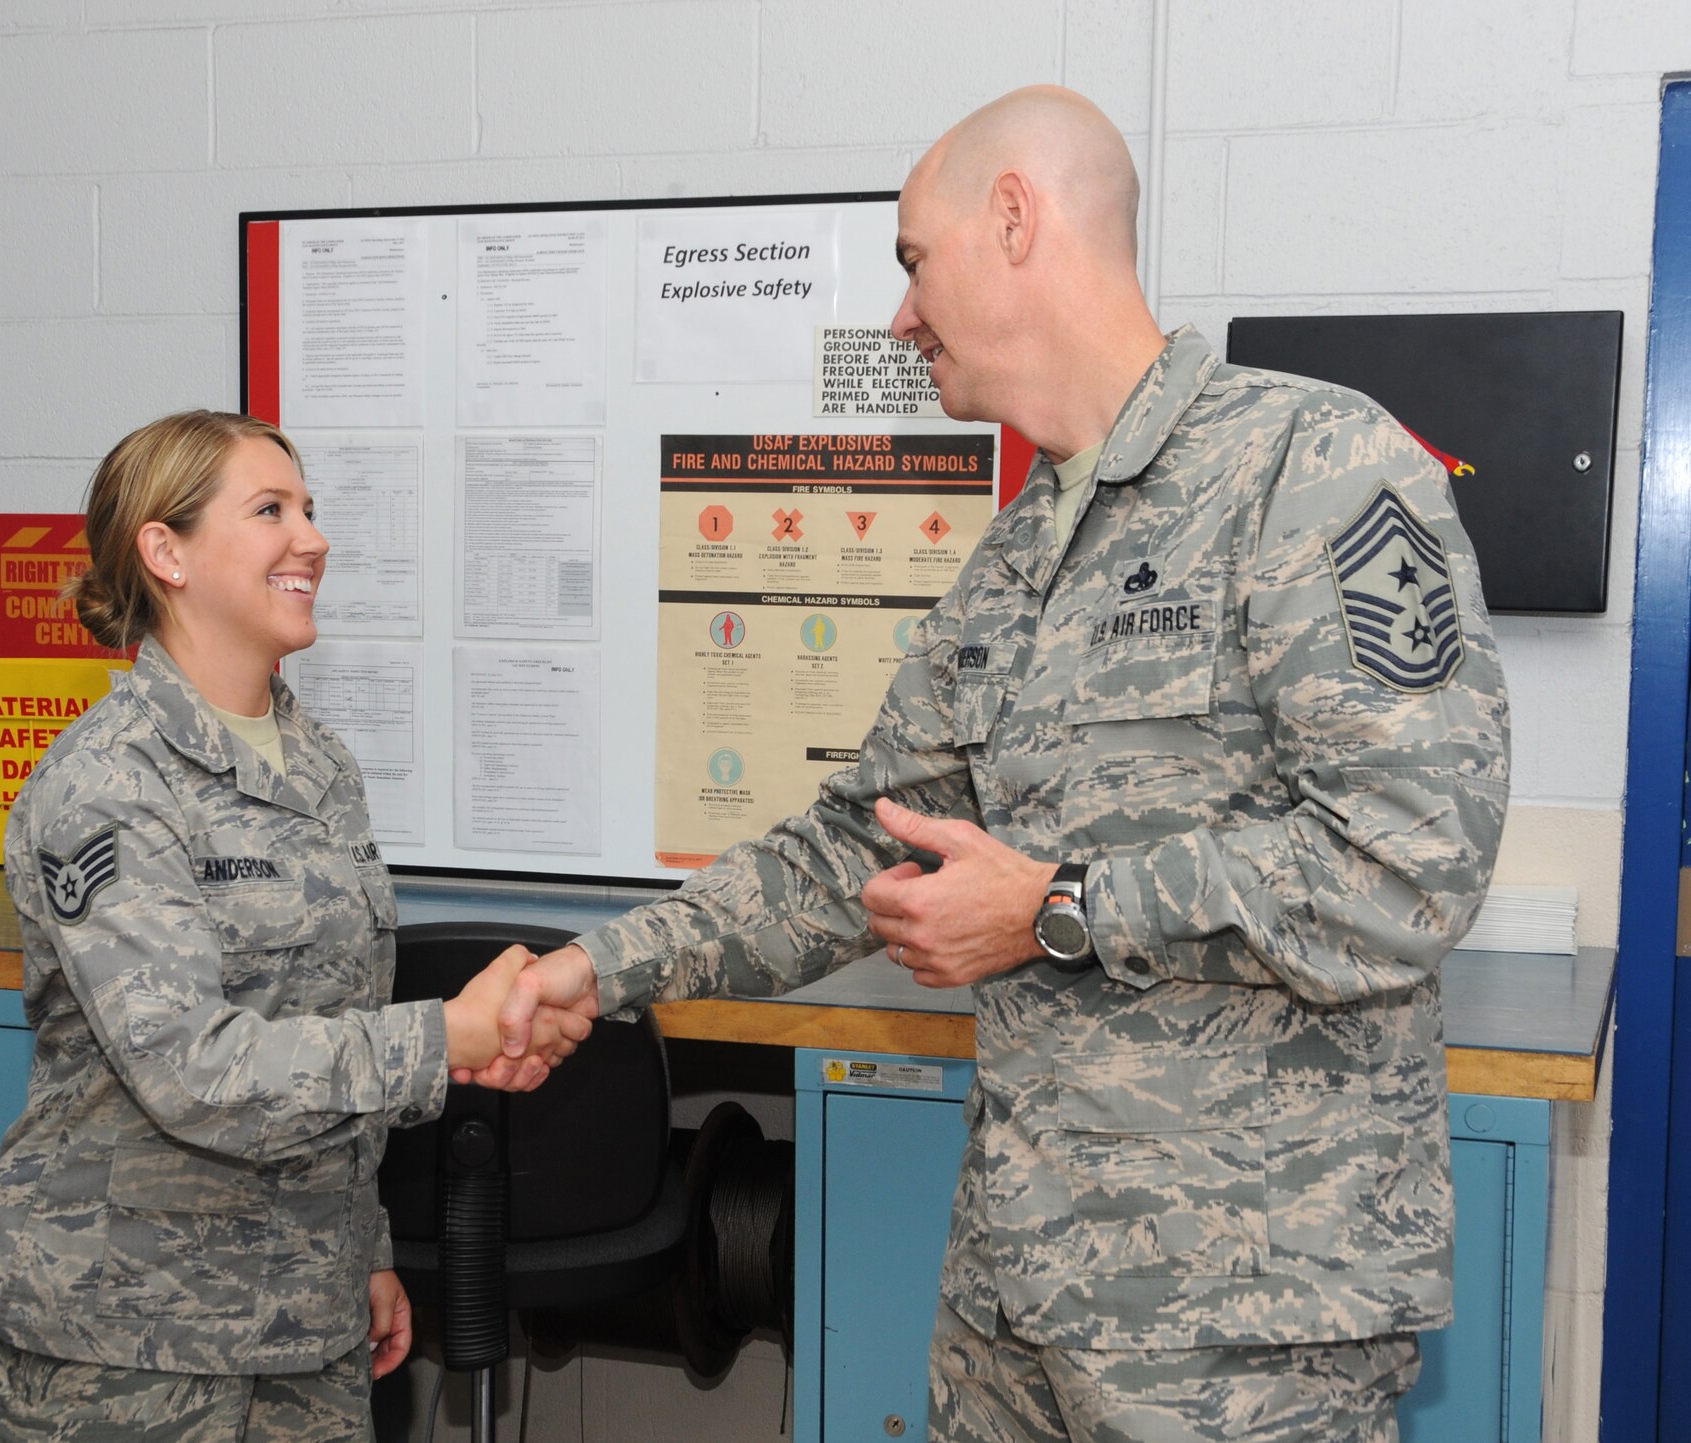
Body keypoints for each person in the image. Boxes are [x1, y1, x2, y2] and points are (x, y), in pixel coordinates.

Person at [491, 86, 1510, 1443]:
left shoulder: (1311, 469)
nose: (901, 316)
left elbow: (1407, 864)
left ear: (1015, 218)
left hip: (1240, 1318)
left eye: (914, 260)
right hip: (1018, 1292)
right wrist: (597, 968)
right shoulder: (1018, 554)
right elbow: (853, 846)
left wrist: (1054, 905)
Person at [0, 410, 588, 1443]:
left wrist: (366, 1250)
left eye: (309, 508)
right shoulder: (106, 785)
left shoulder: (318, 762)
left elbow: (325, 1016)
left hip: (304, 1325)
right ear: (165, 551)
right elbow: (194, 1071)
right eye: (268, 511)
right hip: (123, 1339)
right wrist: (449, 1038)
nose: (313, 539)